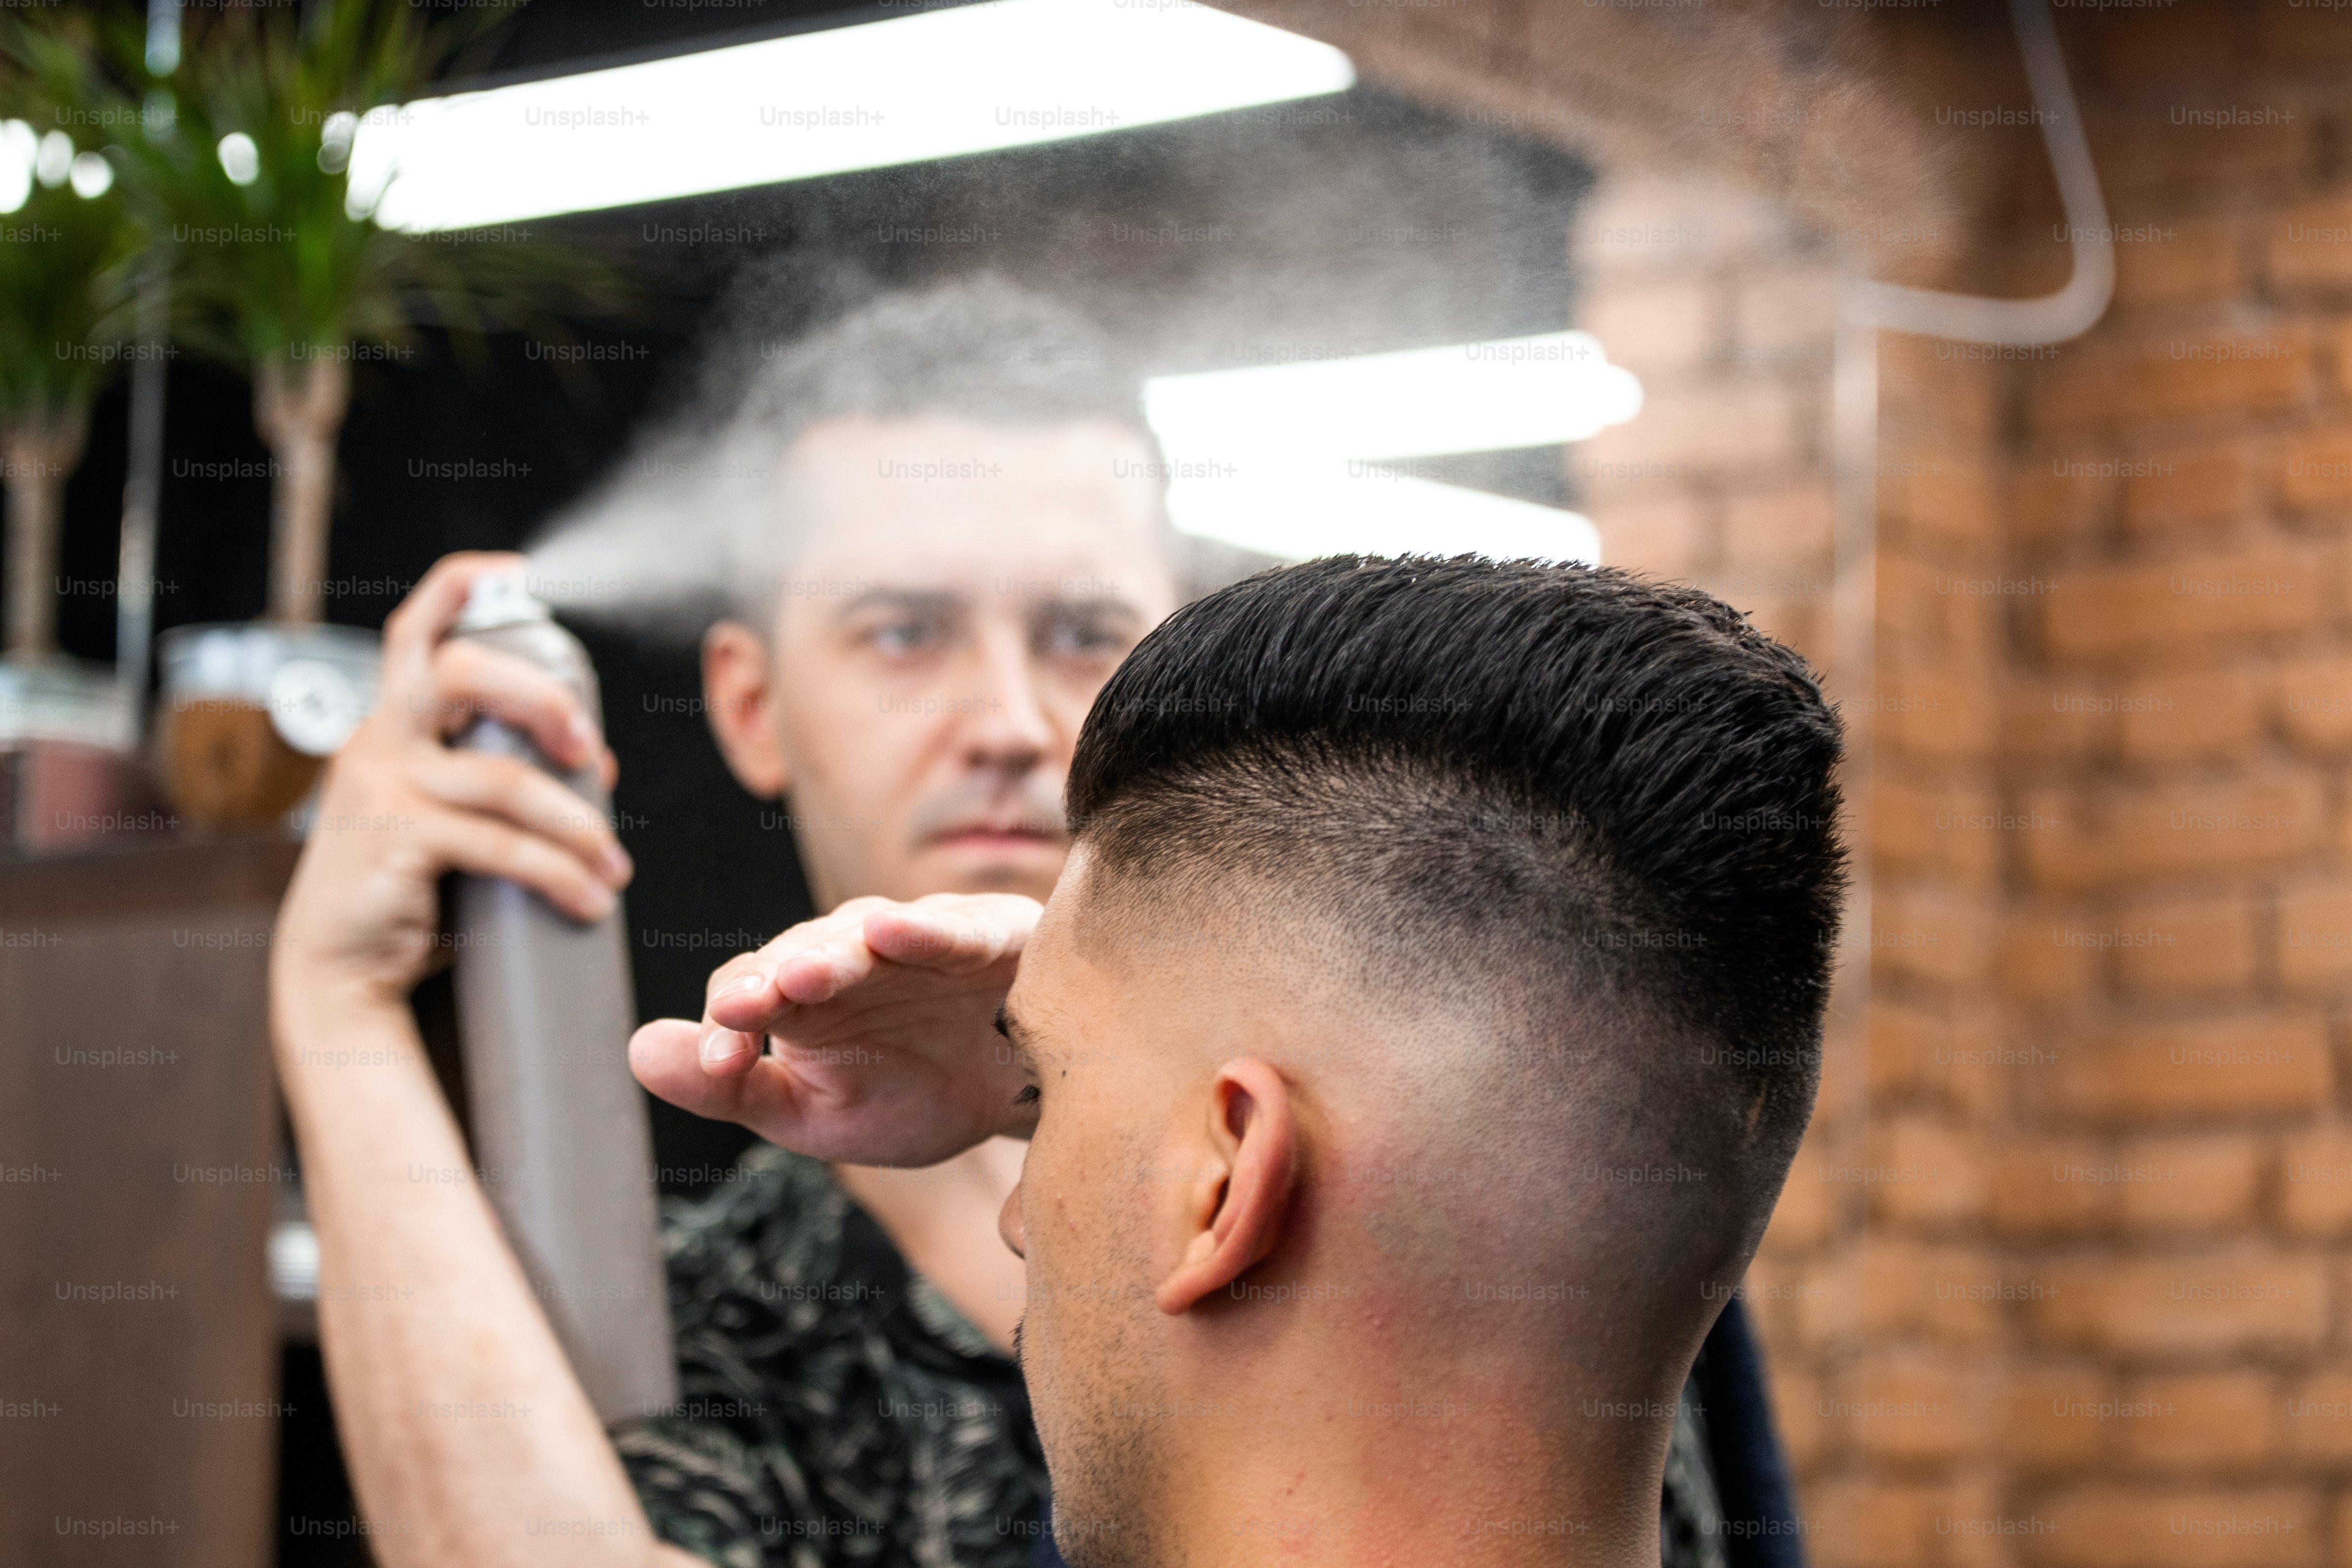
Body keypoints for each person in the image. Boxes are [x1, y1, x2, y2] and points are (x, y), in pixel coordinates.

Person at [268, 281, 1750, 1567]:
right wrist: (332, 1001)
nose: (1005, 720)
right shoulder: (708, 1326)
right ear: (744, 703)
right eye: (903, 632)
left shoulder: (1473, 1153)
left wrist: (1070, 1073)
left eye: (1080, 634)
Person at [635, 555, 1846, 1568]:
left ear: (1221, 1180)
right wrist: (1110, 1038)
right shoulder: (1634, 1200)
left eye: (1045, 1100)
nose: (1017, 1211)